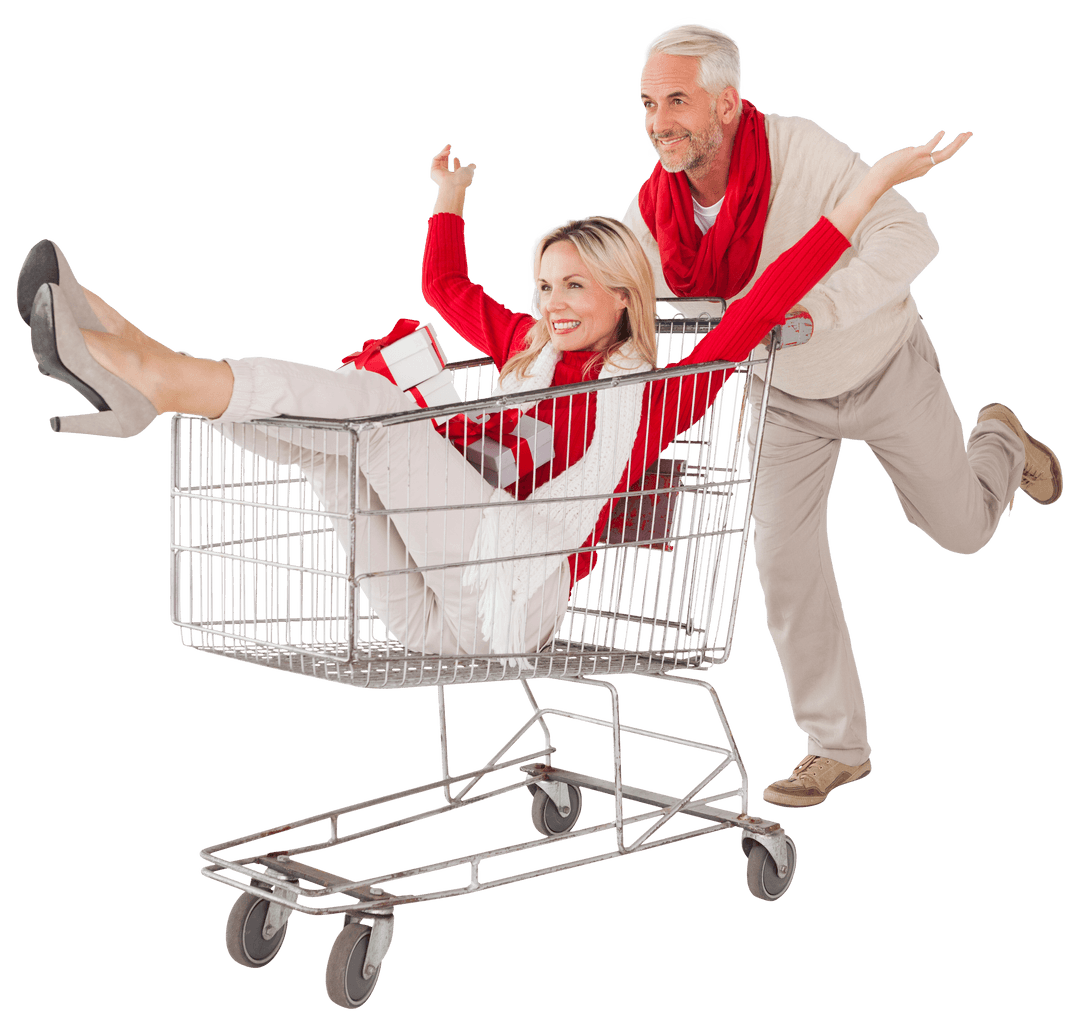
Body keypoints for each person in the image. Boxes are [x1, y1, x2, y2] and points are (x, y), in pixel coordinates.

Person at [16, 132, 965, 661]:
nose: (551, 305)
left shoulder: (660, 389)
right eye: (545, 284)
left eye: (575, 287)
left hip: (512, 602)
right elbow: (444, 291)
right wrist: (448, 194)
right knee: (333, 446)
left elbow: (768, 294)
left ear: (624, 297)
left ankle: (144, 369)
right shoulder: (520, 349)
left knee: (370, 416)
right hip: (435, 610)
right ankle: (141, 363)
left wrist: (874, 183)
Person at [622, 20, 1063, 808]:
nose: (658, 121)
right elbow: (620, 304)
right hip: (785, 401)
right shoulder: (652, 211)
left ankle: (998, 436)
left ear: (728, 103)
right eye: (649, 103)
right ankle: (837, 747)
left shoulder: (799, 151)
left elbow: (907, 234)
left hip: (879, 365)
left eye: (677, 100)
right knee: (783, 562)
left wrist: (813, 313)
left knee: (961, 531)